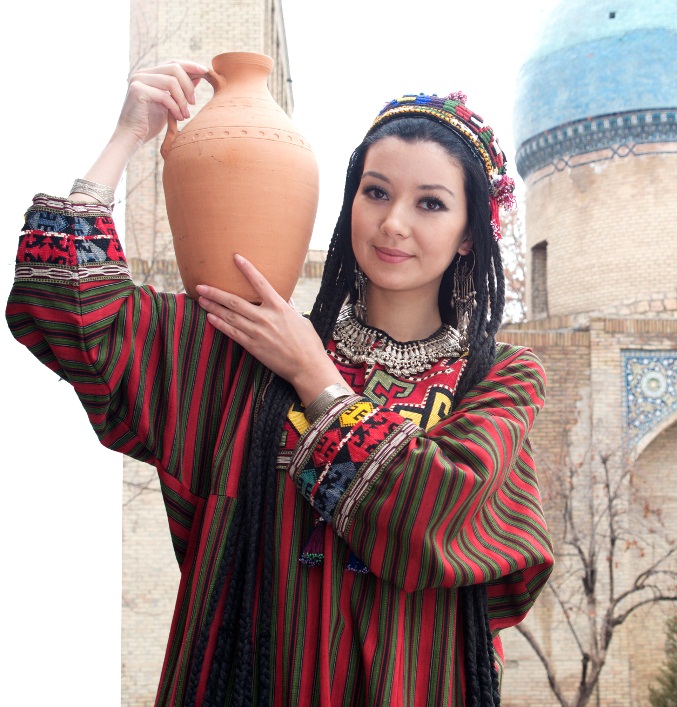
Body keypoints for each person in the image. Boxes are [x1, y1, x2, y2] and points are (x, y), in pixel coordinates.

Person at [6, 60, 553, 707]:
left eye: (430, 203)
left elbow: (431, 513)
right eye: (375, 192)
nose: (393, 223)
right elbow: (68, 309)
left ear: (469, 234)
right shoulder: (250, 349)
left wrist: (314, 377)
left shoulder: (499, 380)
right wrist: (128, 136)